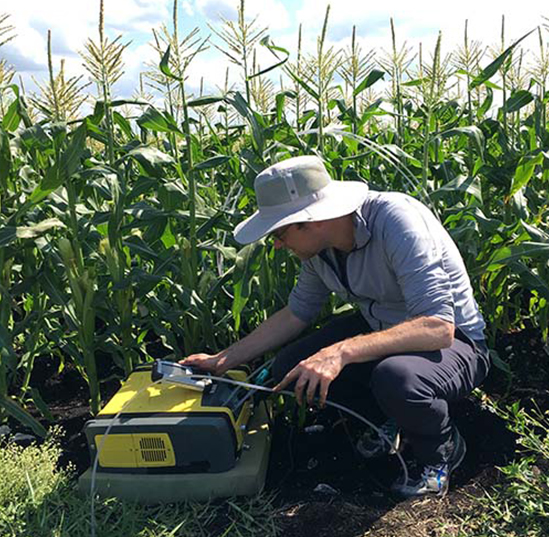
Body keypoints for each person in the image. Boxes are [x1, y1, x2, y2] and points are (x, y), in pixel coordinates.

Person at [181, 155, 491, 498]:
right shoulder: (321, 251)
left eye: (281, 233)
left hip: (454, 345)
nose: (278, 244)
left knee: (398, 379)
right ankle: (389, 418)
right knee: (290, 367)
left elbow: (438, 327)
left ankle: (441, 451)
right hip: (385, 329)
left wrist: (341, 352)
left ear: (311, 221)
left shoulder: (397, 221)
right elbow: (297, 313)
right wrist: (223, 360)